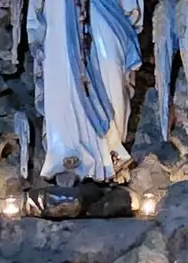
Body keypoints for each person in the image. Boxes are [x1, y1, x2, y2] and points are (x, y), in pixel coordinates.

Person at [28, 0, 143, 183]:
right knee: (63, 77)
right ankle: (68, 155)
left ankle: (111, 151)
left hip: (104, 9)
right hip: (60, 12)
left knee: (111, 72)